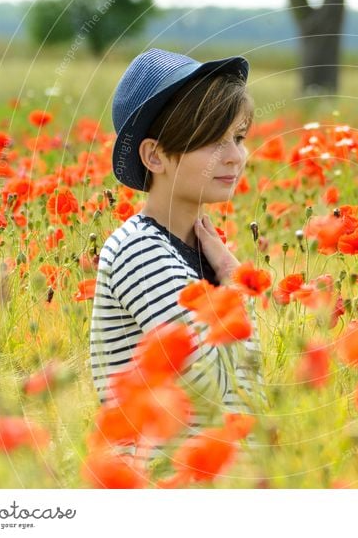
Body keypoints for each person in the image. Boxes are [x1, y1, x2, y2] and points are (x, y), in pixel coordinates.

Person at [88, 48, 266, 468]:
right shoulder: (140, 250)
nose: (235, 157)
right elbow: (212, 383)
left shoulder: (196, 248)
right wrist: (236, 283)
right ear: (155, 156)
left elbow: (246, 385)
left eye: (238, 138)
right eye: (211, 141)